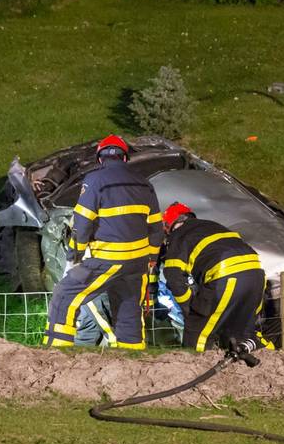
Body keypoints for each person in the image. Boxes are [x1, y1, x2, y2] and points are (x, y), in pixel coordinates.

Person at [43, 135, 160, 349]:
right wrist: (151, 258)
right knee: (128, 311)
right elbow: (156, 227)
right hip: (138, 263)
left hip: (108, 258)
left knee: (64, 295)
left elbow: (82, 223)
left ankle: (56, 351)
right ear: (124, 158)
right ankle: (132, 357)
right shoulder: (145, 184)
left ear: (99, 158)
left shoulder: (95, 180)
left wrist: (74, 257)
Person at [160, 202, 271, 359]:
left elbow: (174, 276)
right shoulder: (212, 226)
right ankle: (267, 360)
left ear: (169, 225)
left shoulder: (179, 235)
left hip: (226, 275)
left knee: (197, 331)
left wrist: (189, 307)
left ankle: (196, 367)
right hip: (256, 275)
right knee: (242, 331)